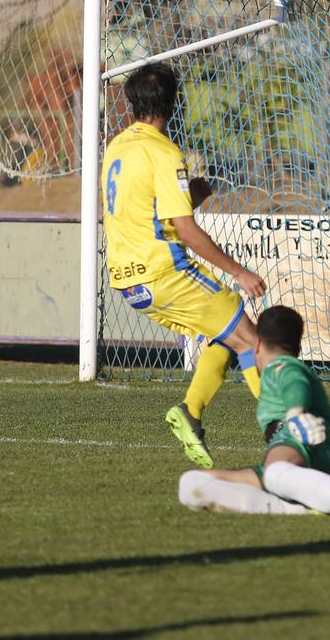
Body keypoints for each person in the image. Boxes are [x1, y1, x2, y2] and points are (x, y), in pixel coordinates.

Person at [102, 62, 268, 468]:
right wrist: (239, 272)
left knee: (224, 336)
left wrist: (195, 191)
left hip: (128, 283)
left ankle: (191, 414)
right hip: (166, 273)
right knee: (250, 340)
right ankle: (291, 429)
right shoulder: (164, 151)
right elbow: (186, 231)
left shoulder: (117, 146)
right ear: (174, 104)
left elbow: (147, 213)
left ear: (132, 103)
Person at [178, 306, 330, 522]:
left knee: (274, 474)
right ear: (298, 349)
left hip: (310, 446)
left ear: (257, 345)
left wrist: (296, 413)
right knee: (191, 484)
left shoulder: (283, 366)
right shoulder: (281, 367)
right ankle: (296, 508)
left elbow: (295, 385)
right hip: (286, 467)